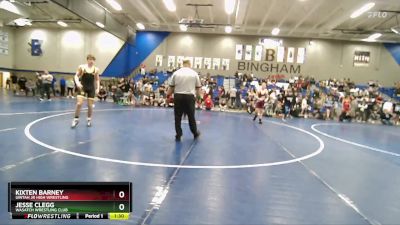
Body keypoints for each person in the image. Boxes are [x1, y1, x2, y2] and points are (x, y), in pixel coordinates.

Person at [167, 59, 201, 141]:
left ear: (183, 64)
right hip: (189, 97)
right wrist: (199, 98)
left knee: (177, 116)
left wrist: (167, 96)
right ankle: (195, 133)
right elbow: (198, 88)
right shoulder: (194, 73)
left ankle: (178, 134)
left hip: (178, 96)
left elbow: (171, 87)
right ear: (189, 64)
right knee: (191, 116)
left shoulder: (176, 73)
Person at [71, 54, 100, 128]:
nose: (91, 61)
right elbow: (76, 76)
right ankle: (75, 119)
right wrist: (77, 83)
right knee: (79, 103)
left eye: (93, 60)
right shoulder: (82, 67)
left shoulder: (96, 69)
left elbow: (97, 79)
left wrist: (98, 88)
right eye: (90, 59)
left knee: (90, 106)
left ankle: (89, 119)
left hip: (91, 88)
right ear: (87, 60)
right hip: (83, 87)